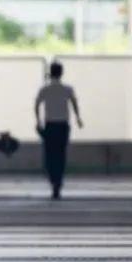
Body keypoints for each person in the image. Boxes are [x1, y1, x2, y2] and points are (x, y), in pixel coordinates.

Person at [35, 61, 83, 200]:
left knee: (50, 156)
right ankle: (58, 183)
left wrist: (38, 120)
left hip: (50, 126)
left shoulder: (45, 89)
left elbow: (37, 104)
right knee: (61, 155)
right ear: (61, 73)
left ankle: (53, 180)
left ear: (51, 72)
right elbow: (74, 103)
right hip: (63, 126)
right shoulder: (68, 89)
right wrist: (78, 118)